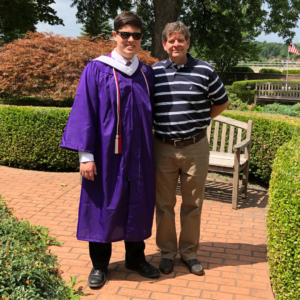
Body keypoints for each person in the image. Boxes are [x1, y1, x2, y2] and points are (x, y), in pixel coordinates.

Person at [60, 11, 159, 289]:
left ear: (141, 39)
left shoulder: (145, 72)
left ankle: (135, 259)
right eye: (125, 34)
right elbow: (84, 112)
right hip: (105, 155)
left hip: (140, 155)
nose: (130, 40)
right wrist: (85, 156)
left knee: (137, 204)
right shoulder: (96, 69)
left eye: (136, 36)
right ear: (115, 35)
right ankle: (100, 265)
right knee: (102, 203)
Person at [153, 22, 229, 276]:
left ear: (188, 42)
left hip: (195, 148)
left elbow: (222, 102)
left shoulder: (205, 70)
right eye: (171, 40)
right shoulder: (154, 73)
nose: (176, 44)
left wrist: (202, 120)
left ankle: (188, 253)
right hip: (163, 147)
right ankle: (166, 252)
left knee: (192, 204)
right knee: (163, 204)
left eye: (180, 40)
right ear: (164, 44)